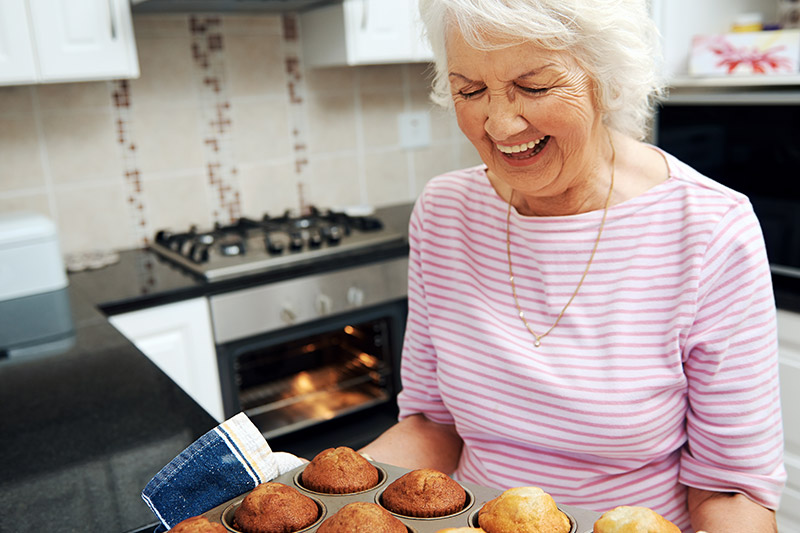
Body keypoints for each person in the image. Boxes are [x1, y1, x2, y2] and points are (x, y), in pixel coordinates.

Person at [359, 1, 786, 532]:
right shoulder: (446, 211)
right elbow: (431, 425)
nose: (499, 122)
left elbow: (728, 491)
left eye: (534, 87)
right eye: (470, 91)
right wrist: (331, 487)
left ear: (605, 82)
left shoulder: (709, 228)